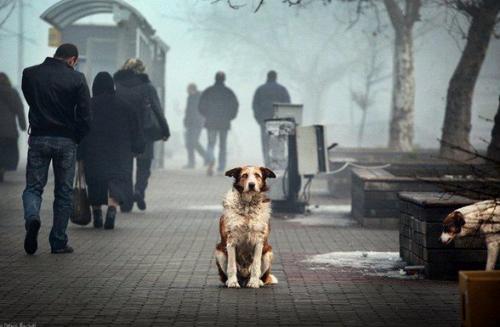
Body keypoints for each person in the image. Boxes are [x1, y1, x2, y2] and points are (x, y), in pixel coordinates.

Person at [21, 43, 90, 255]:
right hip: (66, 140)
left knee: (33, 187)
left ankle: (32, 217)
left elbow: (30, 99)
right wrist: (76, 136)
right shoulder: (77, 79)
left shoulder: (30, 74)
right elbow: (86, 114)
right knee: (63, 192)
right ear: (72, 60)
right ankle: (58, 242)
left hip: (39, 136)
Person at [78, 72, 145, 229]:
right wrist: (138, 148)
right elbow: (136, 130)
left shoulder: (88, 105)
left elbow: (79, 131)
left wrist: (79, 154)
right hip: (120, 153)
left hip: (94, 153)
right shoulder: (125, 106)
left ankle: (96, 214)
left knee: (95, 182)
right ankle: (112, 209)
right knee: (116, 182)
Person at [114, 58, 170, 212]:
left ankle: (126, 202)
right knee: (144, 166)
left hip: (123, 133)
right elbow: (157, 110)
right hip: (145, 132)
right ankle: (138, 191)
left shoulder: (117, 86)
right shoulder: (147, 87)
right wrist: (165, 130)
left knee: (125, 167)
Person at [199, 72, 238, 176]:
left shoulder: (208, 91)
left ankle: (211, 159)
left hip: (211, 121)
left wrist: (206, 114)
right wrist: (230, 117)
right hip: (224, 122)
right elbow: (235, 105)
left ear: (215, 78)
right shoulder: (228, 92)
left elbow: (201, 105)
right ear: (224, 79)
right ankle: (221, 166)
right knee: (223, 145)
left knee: (211, 143)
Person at [252, 70, 290, 166]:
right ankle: (279, 163)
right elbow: (287, 104)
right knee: (279, 141)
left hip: (264, 120)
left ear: (267, 77)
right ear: (276, 77)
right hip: (279, 120)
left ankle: (267, 163)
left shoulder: (260, 89)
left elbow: (255, 105)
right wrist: (285, 119)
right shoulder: (282, 89)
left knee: (265, 143)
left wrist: (258, 119)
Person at [0, 72, 26, 182]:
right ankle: (2, 168)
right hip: (8, 131)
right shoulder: (12, 93)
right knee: (6, 152)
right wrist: (23, 125)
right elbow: (19, 110)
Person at [183, 83, 206, 169]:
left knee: (192, 143)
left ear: (192, 89)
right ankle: (204, 158)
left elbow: (194, 111)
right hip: (191, 124)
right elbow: (188, 111)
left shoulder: (199, 97)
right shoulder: (190, 97)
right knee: (192, 143)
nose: (187, 91)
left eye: (188, 89)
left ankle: (193, 162)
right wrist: (186, 121)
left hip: (196, 123)